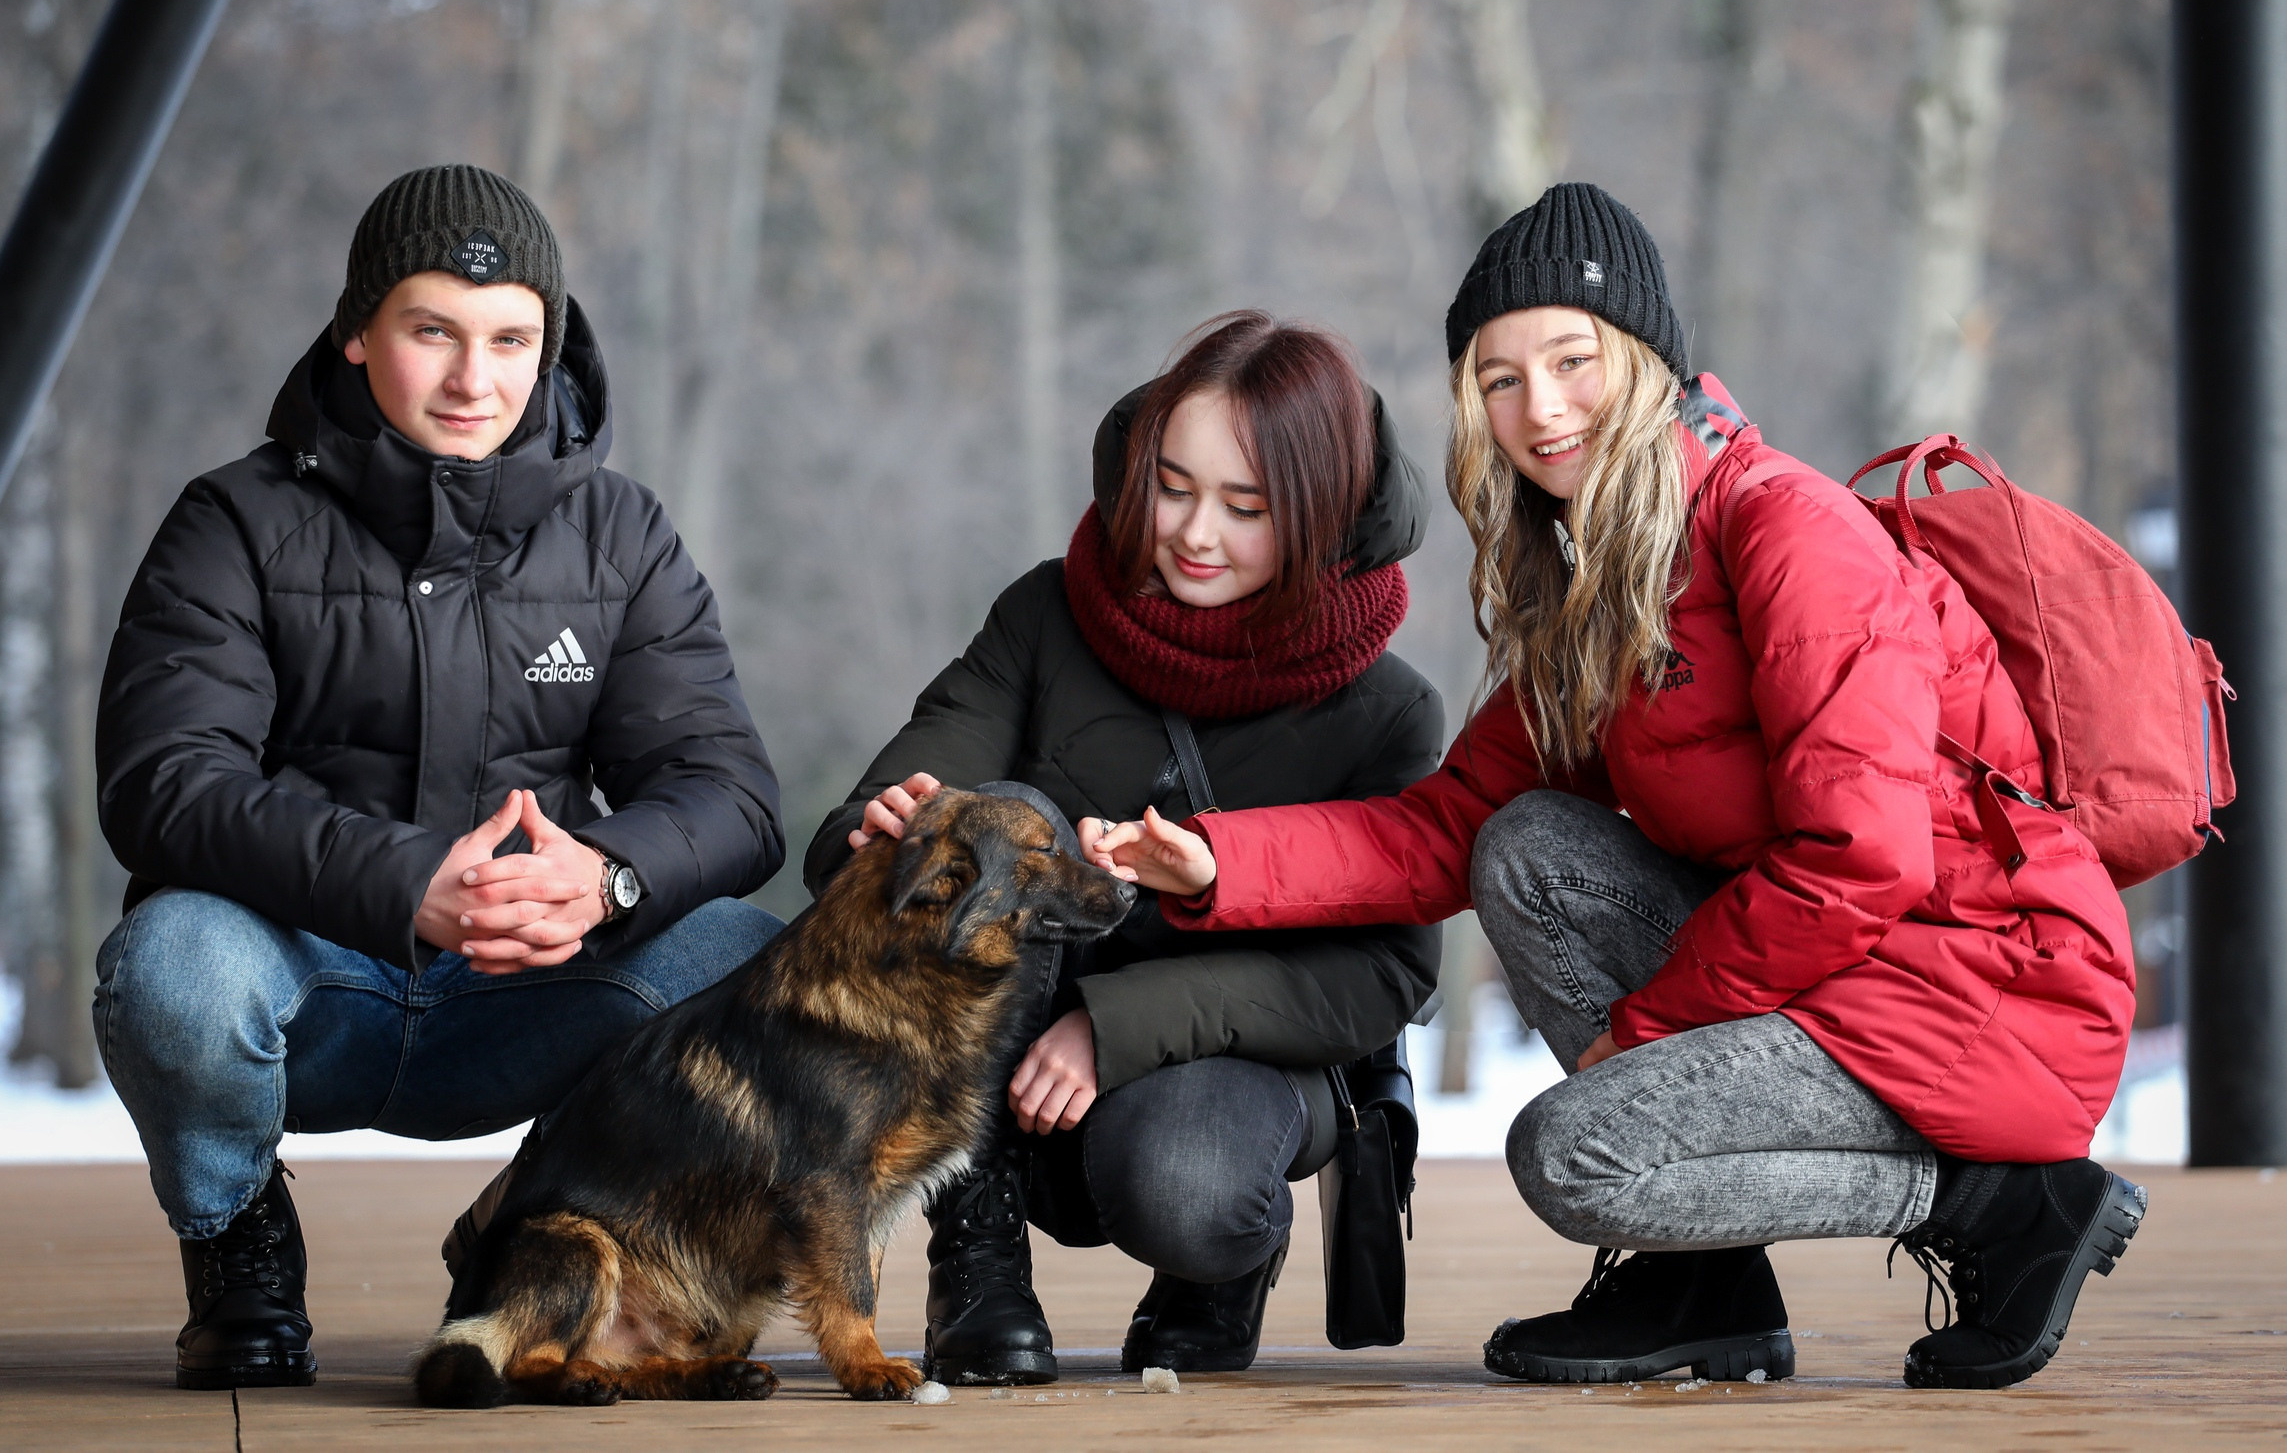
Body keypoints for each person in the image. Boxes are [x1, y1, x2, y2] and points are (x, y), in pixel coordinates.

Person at [1088, 185, 2143, 1392]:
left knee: (1569, 1155)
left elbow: (1863, 857)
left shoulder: (1789, 536)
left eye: (1571, 361)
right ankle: (1703, 1285)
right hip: (1853, 967)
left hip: (1992, 980)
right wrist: (1216, 861)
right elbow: (1453, 827)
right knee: (1530, 846)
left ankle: (2004, 1200)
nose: (1538, 410)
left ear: (1646, 363)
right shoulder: (1607, 580)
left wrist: (1639, 1043)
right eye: (1497, 378)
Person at [92, 166, 786, 1390]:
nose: (477, 380)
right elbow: (163, 781)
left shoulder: (620, 534)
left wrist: (607, 877)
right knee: (173, 964)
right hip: (307, 980)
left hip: (533, 984)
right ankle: (237, 1242)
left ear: (551, 346)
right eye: (433, 333)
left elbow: (730, 793)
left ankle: (533, 1231)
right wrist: (407, 881)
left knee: (754, 960)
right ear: (360, 333)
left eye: (513, 339)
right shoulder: (234, 522)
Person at [804, 313, 1443, 1385]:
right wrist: (872, 834)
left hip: (1223, 1075)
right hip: (1002, 1071)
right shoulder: (1047, 615)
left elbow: (1385, 973)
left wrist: (1117, 1030)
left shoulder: (1387, 713)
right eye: (1172, 487)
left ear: (1327, 521)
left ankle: (1220, 1270)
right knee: (997, 821)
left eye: (1246, 509)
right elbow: (910, 780)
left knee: (1192, 1187)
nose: (1193, 534)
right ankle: (977, 1259)